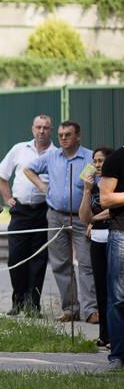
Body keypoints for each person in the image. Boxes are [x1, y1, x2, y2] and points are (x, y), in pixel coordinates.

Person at [24, 121, 95, 323]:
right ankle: (70, 308)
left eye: (68, 134)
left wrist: (92, 219)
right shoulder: (52, 156)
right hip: (55, 215)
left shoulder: (89, 158)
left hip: (81, 216)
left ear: (78, 136)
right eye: (61, 134)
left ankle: (91, 310)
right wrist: (43, 187)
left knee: (86, 262)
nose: (63, 138)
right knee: (59, 263)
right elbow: (28, 169)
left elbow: (95, 187)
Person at [0, 115, 56, 316]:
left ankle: (33, 305)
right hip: (20, 210)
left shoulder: (56, 154)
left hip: (43, 210)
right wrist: (7, 198)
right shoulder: (19, 149)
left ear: (51, 130)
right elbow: (1, 174)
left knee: (38, 260)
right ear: (32, 129)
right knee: (16, 258)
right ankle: (18, 301)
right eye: (38, 127)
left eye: (46, 128)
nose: (41, 131)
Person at [79, 147, 114, 348]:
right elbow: (83, 217)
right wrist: (85, 190)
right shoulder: (91, 185)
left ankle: (116, 334)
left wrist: (94, 218)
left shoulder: (116, 182)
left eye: (101, 161)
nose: (98, 165)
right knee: (100, 287)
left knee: (114, 289)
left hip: (115, 237)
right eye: (95, 161)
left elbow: (113, 209)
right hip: (97, 240)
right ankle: (104, 335)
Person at [99, 144, 124, 371]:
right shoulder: (117, 159)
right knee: (118, 298)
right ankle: (117, 356)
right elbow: (105, 199)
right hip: (121, 234)